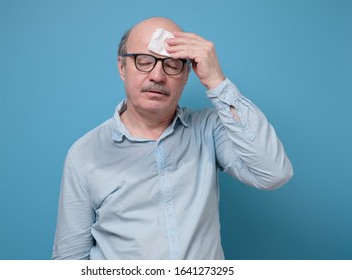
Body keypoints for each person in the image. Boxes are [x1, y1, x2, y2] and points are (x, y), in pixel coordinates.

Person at [52, 17, 293, 260]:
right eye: (144, 61)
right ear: (122, 67)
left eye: (173, 64)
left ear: (187, 74)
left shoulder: (208, 130)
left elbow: (273, 173)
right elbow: (69, 260)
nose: (157, 76)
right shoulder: (84, 154)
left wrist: (216, 80)